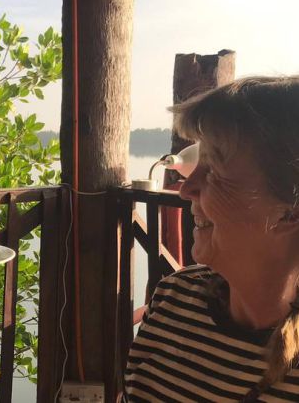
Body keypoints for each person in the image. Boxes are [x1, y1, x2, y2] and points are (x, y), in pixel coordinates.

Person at [125, 77, 299, 402]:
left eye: (215, 169)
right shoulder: (174, 298)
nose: (186, 189)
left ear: (290, 213)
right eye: (197, 161)